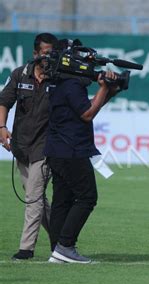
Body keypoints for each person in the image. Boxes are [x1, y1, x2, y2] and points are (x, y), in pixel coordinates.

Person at [44, 39, 120, 264]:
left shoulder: (62, 82)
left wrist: (109, 91)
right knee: (87, 197)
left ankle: (57, 250)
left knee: (62, 200)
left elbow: (89, 108)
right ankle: (65, 246)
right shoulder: (72, 85)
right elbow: (87, 114)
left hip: (58, 150)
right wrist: (104, 87)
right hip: (71, 150)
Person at [0, 33, 58, 260]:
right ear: (35, 54)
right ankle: (62, 239)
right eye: (45, 53)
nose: (48, 58)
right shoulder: (19, 74)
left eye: (52, 53)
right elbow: (3, 101)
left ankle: (26, 249)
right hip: (21, 146)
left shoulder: (58, 78)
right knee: (37, 198)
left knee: (33, 197)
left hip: (45, 147)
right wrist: (2, 127)